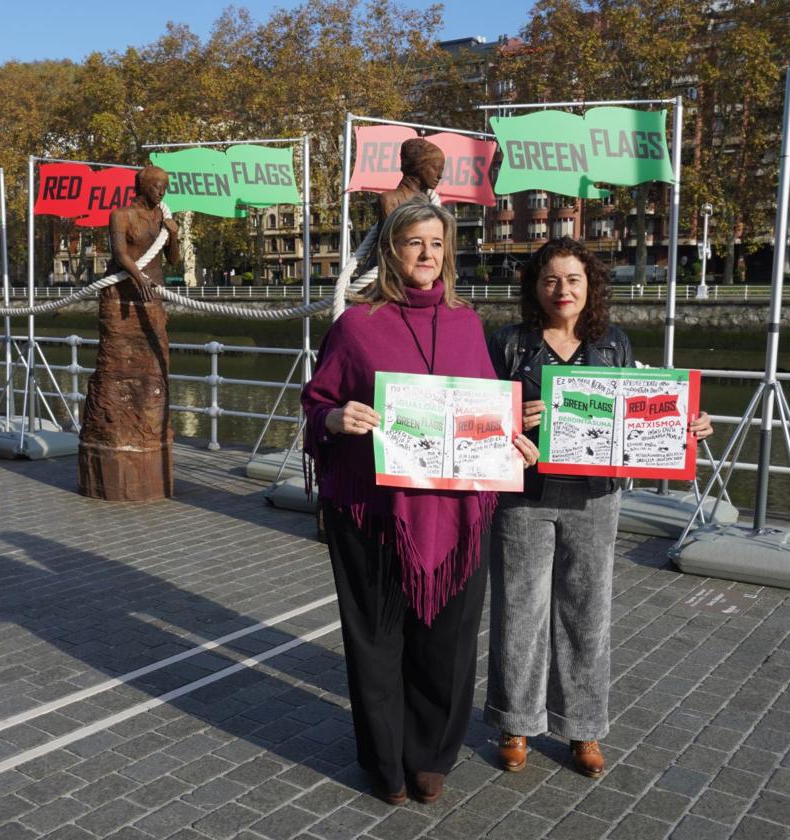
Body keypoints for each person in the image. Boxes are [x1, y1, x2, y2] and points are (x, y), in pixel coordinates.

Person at [302, 198, 537, 805]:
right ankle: (384, 763)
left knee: (449, 643)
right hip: (374, 513)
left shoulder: (466, 324)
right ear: (390, 251)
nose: (427, 255)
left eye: (436, 244)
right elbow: (317, 401)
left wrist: (510, 436)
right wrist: (334, 419)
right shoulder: (356, 325)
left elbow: (483, 408)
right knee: (377, 642)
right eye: (414, 243)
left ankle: (431, 755)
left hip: (457, 511)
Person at [484, 237, 712, 778]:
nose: (561, 290)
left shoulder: (614, 345)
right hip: (524, 497)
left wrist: (684, 429)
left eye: (573, 280)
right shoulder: (509, 343)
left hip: (595, 496)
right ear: (534, 288)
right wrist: (513, 423)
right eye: (550, 280)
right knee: (520, 610)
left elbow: (640, 419)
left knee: (587, 611)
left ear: (591, 287)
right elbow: (479, 421)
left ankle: (582, 726)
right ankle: (516, 720)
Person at [78, 164, 180, 500]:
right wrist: (139, 279)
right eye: (157, 186)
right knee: (115, 365)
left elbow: (174, 261)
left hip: (152, 296)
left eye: (165, 187)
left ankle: (148, 435)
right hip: (122, 295)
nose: (161, 192)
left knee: (155, 365)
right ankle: (113, 433)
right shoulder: (121, 215)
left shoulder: (162, 219)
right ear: (143, 186)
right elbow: (121, 254)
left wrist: (174, 234)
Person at [378, 138, 445, 223]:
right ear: (419, 166)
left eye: (441, 170)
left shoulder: (432, 201)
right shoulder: (390, 200)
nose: (440, 175)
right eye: (436, 168)